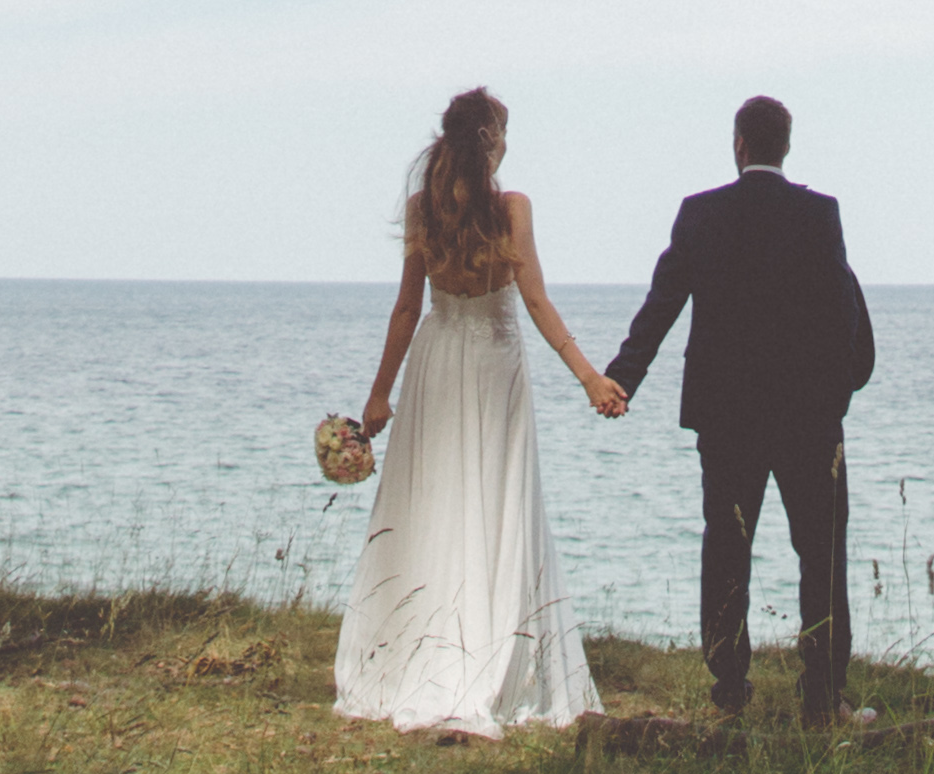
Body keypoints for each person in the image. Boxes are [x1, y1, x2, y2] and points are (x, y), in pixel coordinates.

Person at [333, 85, 626, 735]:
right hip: (494, 363)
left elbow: (408, 309)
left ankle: (422, 645)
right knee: (495, 501)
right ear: (491, 140)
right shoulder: (512, 208)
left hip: (438, 359)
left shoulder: (422, 209)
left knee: (434, 501)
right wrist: (588, 376)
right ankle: (491, 651)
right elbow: (538, 302)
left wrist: (379, 394)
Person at [601, 94, 876, 727]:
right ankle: (823, 696)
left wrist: (623, 378)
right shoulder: (819, 213)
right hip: (808, 419)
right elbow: (843, 312)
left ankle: (729, 692)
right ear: (786, 146)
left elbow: (662, 304)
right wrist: (840, 394)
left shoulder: (701, 216)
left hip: (726, 418)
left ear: (739, 145)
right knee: (821, 552)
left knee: (726, 546)